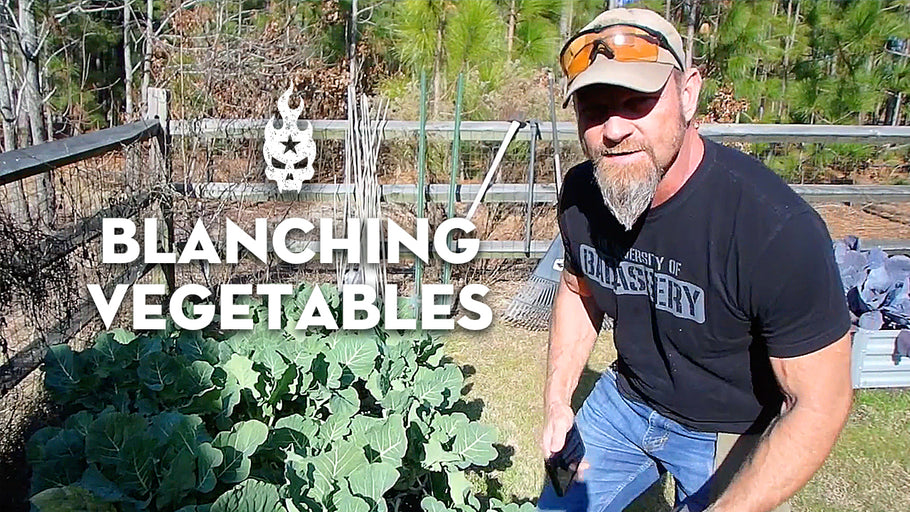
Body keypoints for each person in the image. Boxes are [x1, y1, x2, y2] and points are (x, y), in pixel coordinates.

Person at [540, 7, 853, 512]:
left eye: (637, 100)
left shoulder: (774, 229)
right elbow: (581, 290)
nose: (613, 129)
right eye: (594, 108)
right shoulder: (582, 193)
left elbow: (821, 403)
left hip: (728, 430)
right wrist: (558, 401)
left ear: (688, 94)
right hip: (625, 401)